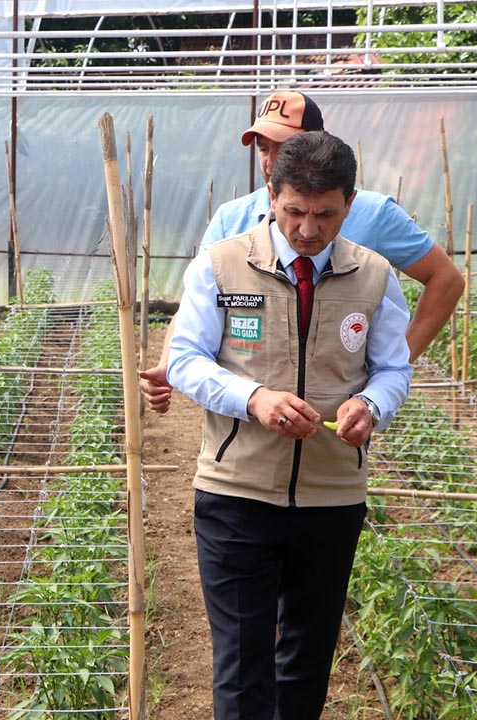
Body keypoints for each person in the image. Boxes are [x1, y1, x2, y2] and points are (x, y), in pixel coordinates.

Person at [164, 131, 412, 719]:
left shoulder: (375, 277)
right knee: (244, 666)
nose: (308, 228)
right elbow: (184, 360)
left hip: (332, 498)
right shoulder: (222, 265)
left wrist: (371, 405)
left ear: (349, 204)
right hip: (236, 494)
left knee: (305, 663)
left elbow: (393, 370)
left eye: (325, 214)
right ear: (271, 196)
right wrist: (254, 399)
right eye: (295, 211)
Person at [140, 90, 461, 412]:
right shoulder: (232, 217)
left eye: (284, 147)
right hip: (245, 425)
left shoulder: (373, 213)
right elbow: (197, 304)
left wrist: (389, 371)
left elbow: (446, 279)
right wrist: (169, 363)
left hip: (334, 422)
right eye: (263, 148)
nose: (270, 161)